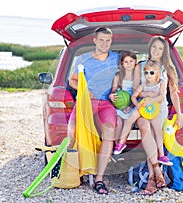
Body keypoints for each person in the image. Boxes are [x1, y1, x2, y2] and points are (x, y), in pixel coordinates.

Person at [67, 27, 120, 195]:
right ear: (95, 40)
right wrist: (84, 91)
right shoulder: (83, 60)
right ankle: (71, 169)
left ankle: (99, 179)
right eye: (102, 40)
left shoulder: (116, 58)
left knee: (110, 131)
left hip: (105, 104)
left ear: (111, 41)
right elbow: (72, 81)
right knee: (72, 132)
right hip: (86, 103)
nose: (105, 43)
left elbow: (133, 66)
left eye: (108, 40)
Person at [134, 36, 183, 195]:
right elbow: (136, 89)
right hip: (143, 107)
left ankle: (151, 179)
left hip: (160, 108)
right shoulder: (141, 66)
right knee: (143, 127)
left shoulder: (167, 69)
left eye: (160, 48)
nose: (156, 51)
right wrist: (146, 95)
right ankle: (157, 172)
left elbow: (173, 94)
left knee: (156, 138)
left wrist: (180, 116)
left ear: (164, 52)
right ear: (150, 48)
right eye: (154, 47)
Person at [108, 50, 137, 155]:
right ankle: (117, 146)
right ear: (122, 64)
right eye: (126, 62)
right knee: (119, 122)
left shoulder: (137, 76)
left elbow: (136, 94)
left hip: (132, 104)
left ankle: (122, 142)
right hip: (120, 105)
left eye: (131, 61)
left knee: (128, 121)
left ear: (135, 62)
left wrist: (130, 106)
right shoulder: (118, 76)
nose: (129, 64)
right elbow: (113, 91)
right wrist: (111, 96)